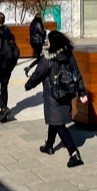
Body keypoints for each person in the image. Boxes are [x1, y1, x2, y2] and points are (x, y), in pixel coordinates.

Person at [25, 30, 88, 168]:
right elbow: (77, 74)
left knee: (59, 124)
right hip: (67, 93)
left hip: (52, 95)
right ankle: (49, 145)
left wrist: (28, 85)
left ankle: (74, 153)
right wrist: (82, 92)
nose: (46, 42)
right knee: (55, 120)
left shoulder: (48, 58)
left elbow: (38, 74)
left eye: (49, 40)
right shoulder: (69, 56)